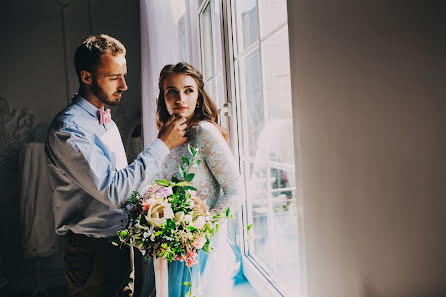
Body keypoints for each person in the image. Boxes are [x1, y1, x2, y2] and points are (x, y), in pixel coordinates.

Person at [45, 34, 188, 297]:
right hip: (92, 253)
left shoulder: (105, 120)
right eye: (114, 77)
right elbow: (115, 191)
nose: (124, 85)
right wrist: (162, 145)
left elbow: (125, 182)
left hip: (121, 243)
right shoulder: (69, 130)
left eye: (123, 75)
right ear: (87, 77)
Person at [140, 62, 241, 297]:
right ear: (163, 98)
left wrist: (198, 231)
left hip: (198, 252)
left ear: (198, 96)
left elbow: (235, 191)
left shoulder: (203, 132)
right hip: (169, 252)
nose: (180, 99)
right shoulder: (167, 136)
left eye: (188, 90)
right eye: (171, 91)